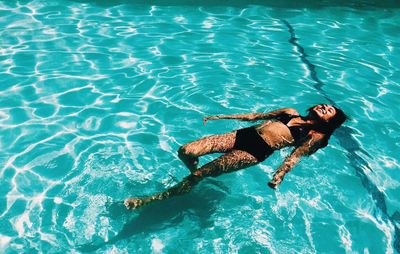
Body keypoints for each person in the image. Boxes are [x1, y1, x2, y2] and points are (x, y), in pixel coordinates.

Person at [125, 104, 347, 210]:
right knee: (186, 151)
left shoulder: (315, 135)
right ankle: (195, 177)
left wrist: (279, 174)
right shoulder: (289, 112)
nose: (325, 107)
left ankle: (150, 200)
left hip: (252, 152)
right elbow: (254, 116)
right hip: (239, 136)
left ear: (328, 122)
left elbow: (296, 154)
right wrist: (221, 116)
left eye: (329, 111)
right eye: (325, 105)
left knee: (200, 174)